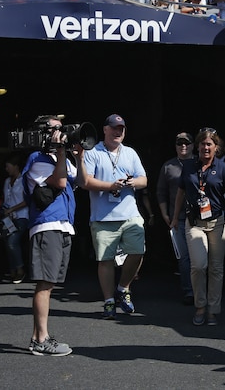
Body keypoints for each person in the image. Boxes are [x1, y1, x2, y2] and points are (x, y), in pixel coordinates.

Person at [170, 128, 225, 326]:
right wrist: (175, 218)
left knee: (216, 268)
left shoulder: (224, 169)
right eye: (202, 144)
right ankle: (200, 306)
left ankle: (213, 310)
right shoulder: (189, 167)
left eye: (209, 144)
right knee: (198, 265)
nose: (205, 147)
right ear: (197, 146)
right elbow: (180, 193)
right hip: (194, 223)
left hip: (218, 223)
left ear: (216, 147)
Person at [77, 114, 148, 320]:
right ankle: (109, 301)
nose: (118, 132)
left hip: (130, 215)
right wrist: (111, 186)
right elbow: (85, 182)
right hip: (102, 217)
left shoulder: (130, 153)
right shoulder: (93, 152)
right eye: (114, 128)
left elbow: (144, 179)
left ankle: (123, 288)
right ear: (105, 129)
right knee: (105, 260)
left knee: (138, 251)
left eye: (121, 129)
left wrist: (133, 182)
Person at [22, 115, 79, 356]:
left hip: (63, 224)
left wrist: (79, 153)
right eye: (55, 130)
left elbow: (82, 179)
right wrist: (62, 151)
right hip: (47, 225)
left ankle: (39, 336)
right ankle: (40, 339)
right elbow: (61, 181)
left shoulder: (59, 158)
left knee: (50, 283)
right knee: (45, 283)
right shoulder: (37, 158)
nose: (61, 133)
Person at [157, 132, 196, 306]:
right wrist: (165, 214)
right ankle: (189, 292)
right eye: (180, 143)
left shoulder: (200, 163)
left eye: (186, 143)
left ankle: (203, 290)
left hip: (199, 218)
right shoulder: (168, 166)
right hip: (177, 218)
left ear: (193, 145)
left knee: (200, 257)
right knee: (184, 257)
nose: (183, 146)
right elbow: (161, 192)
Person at [0, 153, 29, 284]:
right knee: (7, 241)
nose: (6, 169)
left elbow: (27, 200)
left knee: (12, 241)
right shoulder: (7, 181)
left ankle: (20, 269)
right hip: (8, 218)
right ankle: (13, 269)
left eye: (8, 166)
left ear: (16, 166)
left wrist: (12, 209)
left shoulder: (24, 180)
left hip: (21, 216)